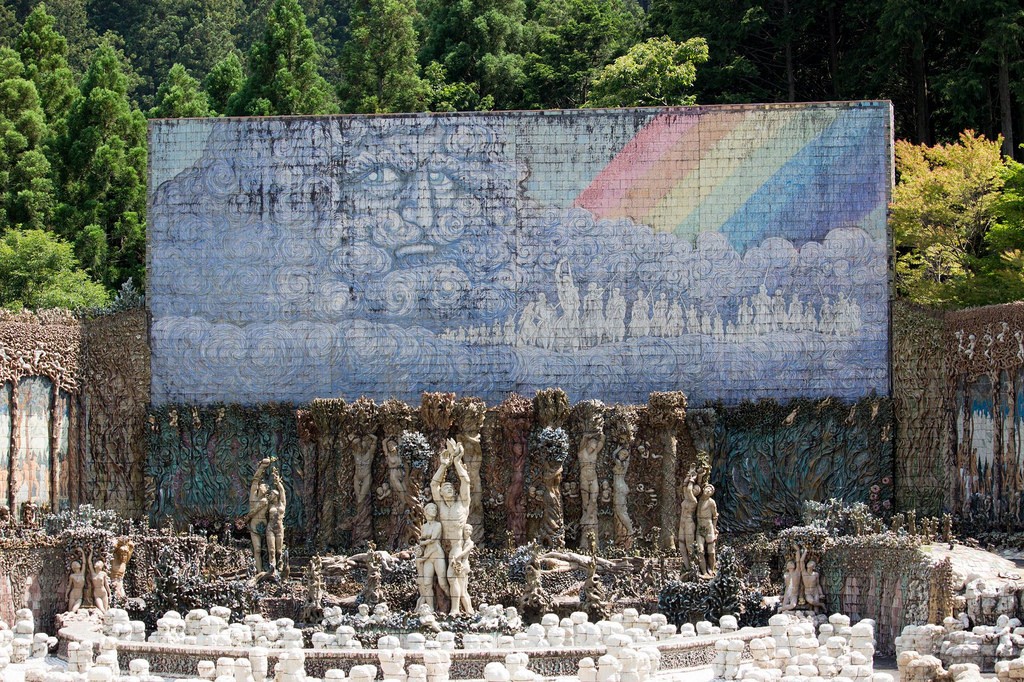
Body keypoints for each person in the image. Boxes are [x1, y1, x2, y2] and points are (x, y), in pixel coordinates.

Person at [415, 502, 449, 610]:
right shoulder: (423, 527)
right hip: (428, 555)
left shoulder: (438, 525)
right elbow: (422, 541)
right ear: (426, 512)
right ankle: (430, 609)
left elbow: (433, 539)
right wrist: (424, 542)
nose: (434, 510)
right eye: (431, 509)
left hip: (437, 553)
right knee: (427, 583)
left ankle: (452, 600)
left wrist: (424, 541)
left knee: (442, 582)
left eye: (435, 509)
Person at [246, 457, 273, 572]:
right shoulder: (253, 496)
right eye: (263, 485)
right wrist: (262, 467)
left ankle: (270, 569)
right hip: (254, 525)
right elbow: (255, 480)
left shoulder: (266, 500)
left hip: (265, 525)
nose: (264, 487)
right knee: (257, 549)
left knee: (267, 549)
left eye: (266, 487)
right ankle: (259, 571)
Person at [447, 524, 475, 615]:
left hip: (464, 565)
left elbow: (464, 552)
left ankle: (469, 611)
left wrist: (455, 557)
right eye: (466, 529)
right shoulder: (462, 541)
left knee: (463, 591)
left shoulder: (470, 542)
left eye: (469, 530)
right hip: (461, 565)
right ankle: (468, 610)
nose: (468, 531)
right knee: (463, 590)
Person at [265, 469, 287, 574]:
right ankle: (272, 567)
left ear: (276, 496)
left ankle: (280, 565)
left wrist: (277, 482)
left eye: (273, 494)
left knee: (279, 551)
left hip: (279, 529)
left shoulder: (282, 503)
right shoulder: (269, 505)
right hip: (270, 529)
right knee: (272, 551)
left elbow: (282, 491)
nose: (271, 495)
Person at [66, 548, 87, 612]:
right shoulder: (72, 576)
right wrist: (66, 595)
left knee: (73, 610)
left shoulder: (82, 573)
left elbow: (84, 563)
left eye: (77, 563)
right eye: (75, 563)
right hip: (73, 594)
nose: (78, 563)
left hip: (79, 595)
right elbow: (69, 586)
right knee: (70, 611)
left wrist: (82, 552)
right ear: (73, 567)